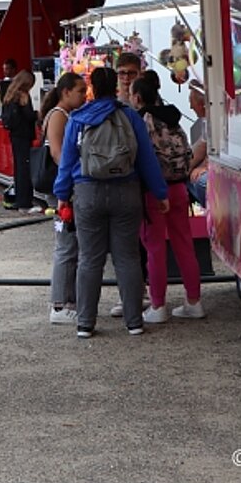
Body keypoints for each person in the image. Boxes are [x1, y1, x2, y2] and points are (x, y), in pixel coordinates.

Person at [52, 66, 168, 337]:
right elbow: (146, 159)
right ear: (117, 86)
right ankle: (134, 322)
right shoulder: (129, 116)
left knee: (89, 259)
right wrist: (159, 193)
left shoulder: (78, 118)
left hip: (87, 192)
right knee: (127, 257)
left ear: (92, 87)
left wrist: (61, 194)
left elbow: (67, 161)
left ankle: (85, 323)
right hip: (126, 191)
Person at [130, 74, 205, 322]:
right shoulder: (173, 118)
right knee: (184, 244)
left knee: (154, 248)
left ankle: (158, 305)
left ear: (138, 97)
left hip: (153, 190)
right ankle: (194, 301)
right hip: (179, 188)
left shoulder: (141, 120)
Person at [41, 72, 87, 325]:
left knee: (71, 245)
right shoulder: (59, 116)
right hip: (64, 189)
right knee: (67, 245)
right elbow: (59, 155)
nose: (84, 95)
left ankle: (69, 300)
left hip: (65, 187)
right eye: (80, 90)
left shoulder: (64, 115)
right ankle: (60, 304)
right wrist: (70, 185)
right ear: (66, 91)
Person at [0, 70, 40, 213]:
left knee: (19, 168)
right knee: (25, 168)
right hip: (24, 135)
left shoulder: (9, 94)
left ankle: (19, 199)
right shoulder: (23, 96)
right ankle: (25, 203)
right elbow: (29, 116)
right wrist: (38, 114)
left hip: (15, 135)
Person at [187, 81, 209, 207]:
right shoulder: (207, 122)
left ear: (201, 105)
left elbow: (202, 148)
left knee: (200, 181)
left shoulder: (213, 120)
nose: (190, 107)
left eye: (192, 102)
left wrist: (206, 166)